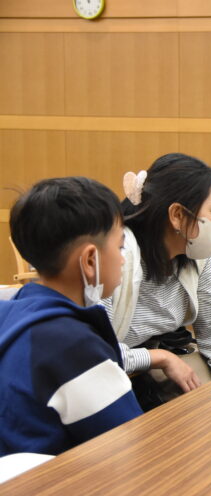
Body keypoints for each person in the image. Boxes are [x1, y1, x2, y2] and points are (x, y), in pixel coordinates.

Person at [0, 177, 143, 455]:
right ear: (90, 261)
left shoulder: (12, 310)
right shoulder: (73, 346)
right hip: (52, 491)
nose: (124, 259)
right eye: (120, 247)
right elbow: (129, 446)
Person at [105, 153, 211, 408]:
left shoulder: (197, 254)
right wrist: (158, 358)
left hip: (160, 369)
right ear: (177, 215)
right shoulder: (115, 257)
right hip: (107, 382)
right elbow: (92, 354)